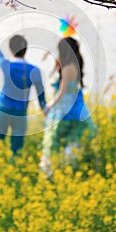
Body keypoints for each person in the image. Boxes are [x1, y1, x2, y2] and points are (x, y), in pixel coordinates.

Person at [0, 20, 46, 160]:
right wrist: (44, 108)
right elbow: (41, 94)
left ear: (11, 50)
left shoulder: (6, 66)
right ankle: (14, 168)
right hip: (21, 113)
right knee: (17, 148)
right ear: (26, 49)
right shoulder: (34, 71)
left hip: (4, 109)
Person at [40, 36, 96, 177]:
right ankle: (67, 172)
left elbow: (61, 92)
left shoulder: (67, 68)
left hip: (67, 111)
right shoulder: (74, 64)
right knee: (72, 145)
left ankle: (54, 173)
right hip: (75, 107)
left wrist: (48, 106)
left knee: (54, 144)